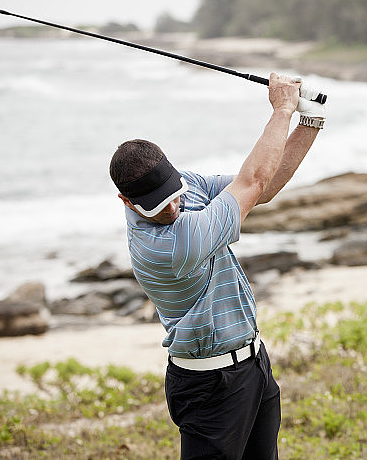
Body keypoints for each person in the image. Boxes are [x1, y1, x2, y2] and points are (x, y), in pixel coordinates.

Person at [108, 73, 324, 459]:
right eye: (158, 206)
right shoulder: (172, 246)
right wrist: (283, 109)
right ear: (127, 202)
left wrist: (311, 119)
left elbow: (267, 187)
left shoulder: (184, 187)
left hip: (253, 363)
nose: (174, 207)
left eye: (173, 194)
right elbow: (253, 181)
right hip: (208, 386)